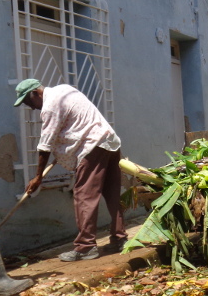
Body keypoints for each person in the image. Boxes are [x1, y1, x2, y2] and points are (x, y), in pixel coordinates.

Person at [13, 79, 127, 262]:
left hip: (92, 147)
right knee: (112, 194)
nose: (31, 108)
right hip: (109, 142)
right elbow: (73, 124)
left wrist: (37, 178)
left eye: (28, 102)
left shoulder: (50, 106)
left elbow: (45, 145)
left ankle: (86, 247)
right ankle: (119, 239)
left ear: (36, 93)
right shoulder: (64, 89)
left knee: (84, 196)